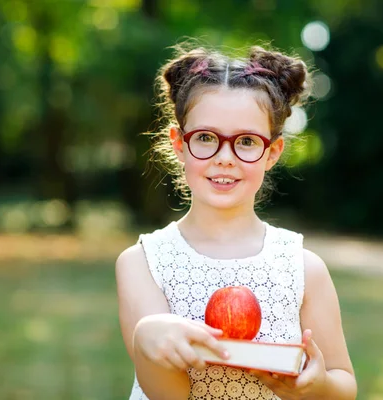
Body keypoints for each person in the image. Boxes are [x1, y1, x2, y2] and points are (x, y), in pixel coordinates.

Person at [115, 42, 357, 400]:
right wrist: (148, 339)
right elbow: (168, 394)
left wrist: (317, 385)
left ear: (272, 152)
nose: (224, 158)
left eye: (245, 141)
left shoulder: (302, 267)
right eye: (206, 138)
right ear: (179, 144)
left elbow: (343, 384)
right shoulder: (143, 262)